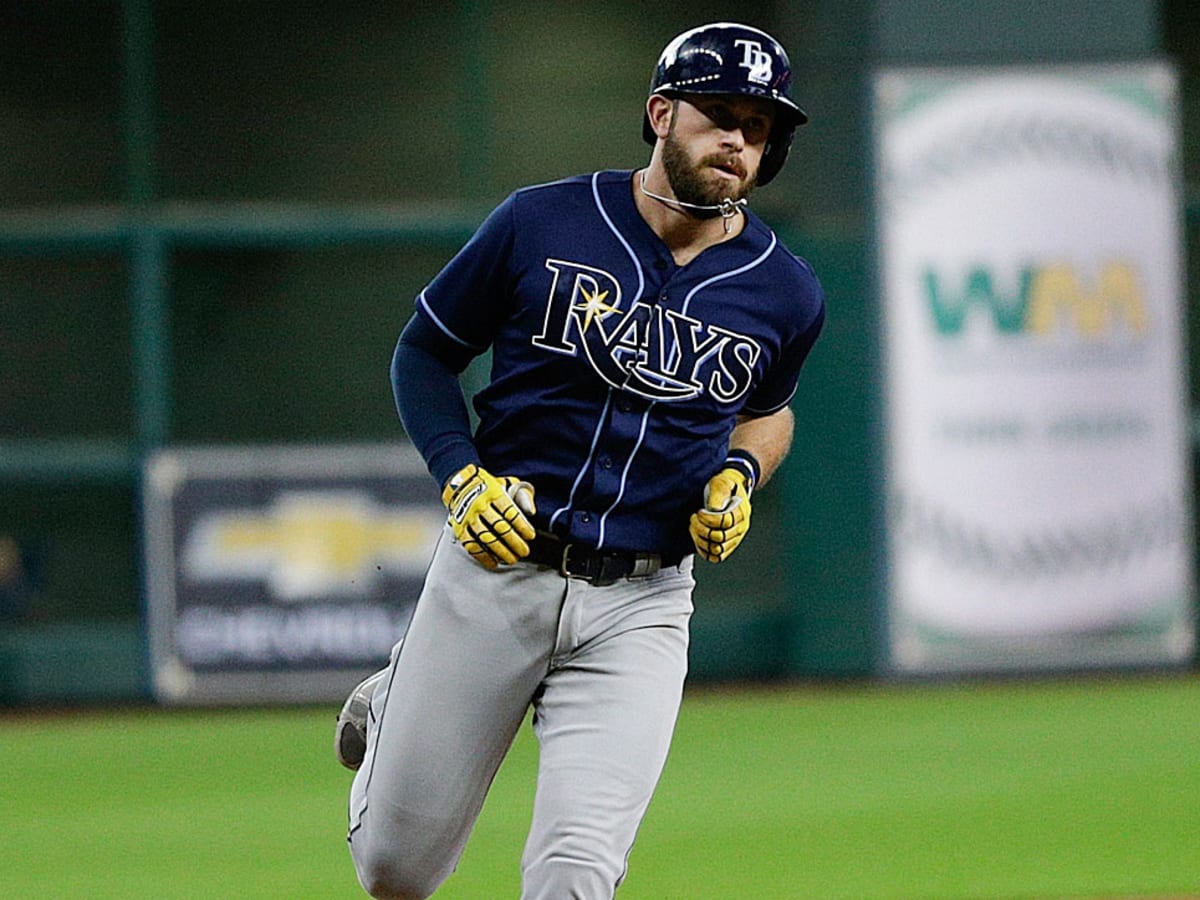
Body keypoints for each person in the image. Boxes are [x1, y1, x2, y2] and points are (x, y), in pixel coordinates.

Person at [339, 21, 825, 900]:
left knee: (576, 875)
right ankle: (399, 693)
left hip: (642, 602)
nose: (737, 141)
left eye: (758, 130)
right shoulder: (542, 221)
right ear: (660, 113)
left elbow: (769, 414)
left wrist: (741, 474)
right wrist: (459, 477)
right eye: (718, 114)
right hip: (498, 570)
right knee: (394, 872)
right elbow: (423, 354)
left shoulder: (785, 290)